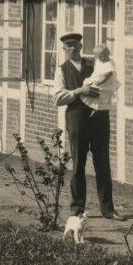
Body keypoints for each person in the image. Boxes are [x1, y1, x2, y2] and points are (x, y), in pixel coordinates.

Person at [53, 32, 118, 219]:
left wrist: (101, 92)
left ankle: (108, 209)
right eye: (69, 46)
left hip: (99, 117)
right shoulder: (62, 69)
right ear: (64, 49)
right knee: (78, 164)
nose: (73, 48)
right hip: (77, 118)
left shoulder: (94, 65)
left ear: (81, 47)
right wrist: (78, 91)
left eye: (77, 45)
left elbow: (110, 82)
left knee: (103, 163)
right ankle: (77, 209)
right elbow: (57, 97)